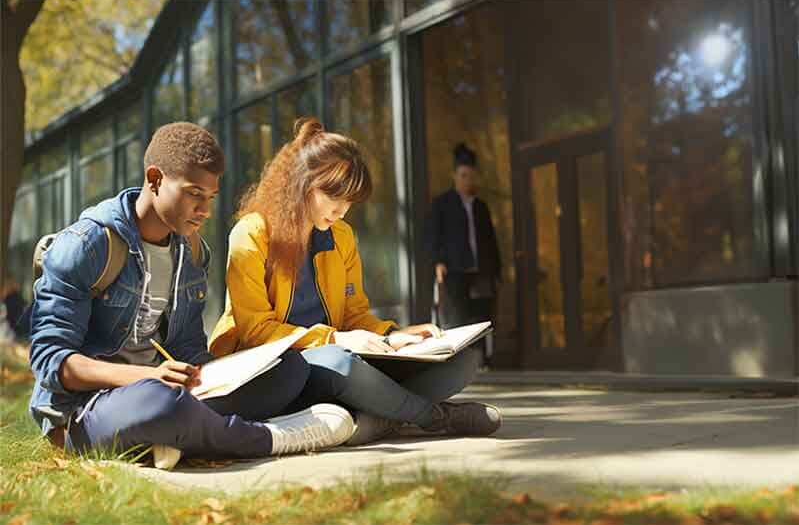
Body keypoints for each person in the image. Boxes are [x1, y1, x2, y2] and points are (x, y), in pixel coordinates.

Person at [28, 122, 353, 469]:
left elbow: (186, 346)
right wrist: (146, 377)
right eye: (194, 193)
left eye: (210, 197)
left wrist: (220, 373)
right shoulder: (86, 245)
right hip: (87, 410)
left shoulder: (192, 251)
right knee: (162, 403)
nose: (206, 210)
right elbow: (51, 360)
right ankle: (269, 438)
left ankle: (175, 438)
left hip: (166, 392)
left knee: (288, 369)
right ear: (154, 179)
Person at [210, 118, 501, 446]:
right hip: (274, 367)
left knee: (460, 363)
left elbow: (354, 314)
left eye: (349, 202)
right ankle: (435, 418)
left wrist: (393, 337)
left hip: (340, 360)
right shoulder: (251, 234)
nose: (342, 211)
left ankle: (373, 419)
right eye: (335, 198)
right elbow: (255, 331)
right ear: (302, 185)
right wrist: (338, 339)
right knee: (340, 362)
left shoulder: (341, 238)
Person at [428, 143, 501, 364]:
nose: (467, 180)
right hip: (454, 270)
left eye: (470, 176)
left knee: (481, 316)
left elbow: (491, 241)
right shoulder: (442, 204)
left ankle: (481, 361)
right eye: (463, 175)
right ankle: (456, 361)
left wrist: (497, 271)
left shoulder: (481, 207)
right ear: (455, 175)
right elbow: (432, 236)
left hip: (480, 271)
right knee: (456, 317)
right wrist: (437, 261)